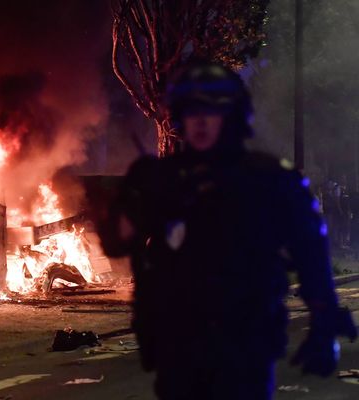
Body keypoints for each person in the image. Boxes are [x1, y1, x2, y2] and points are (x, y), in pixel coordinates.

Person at [98, 63, 357, 400]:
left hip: (244, 345)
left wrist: (323, 322)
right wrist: (134, 201)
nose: (201, 121)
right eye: (192, 111)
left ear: (233, 116)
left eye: (212, 110)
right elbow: (117, 242)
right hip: (178, 347)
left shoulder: (268, 180)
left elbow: (310, 252)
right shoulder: (162, 180)